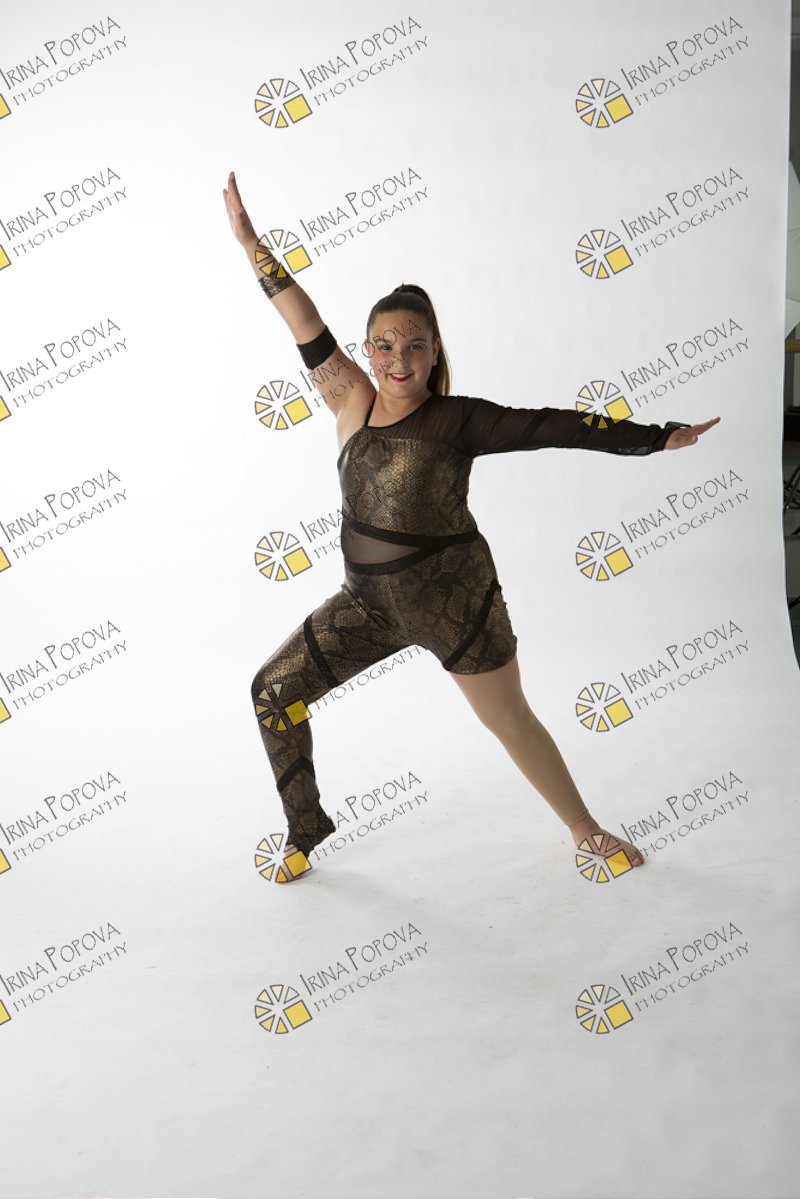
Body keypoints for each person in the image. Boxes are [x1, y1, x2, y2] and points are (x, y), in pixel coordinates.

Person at [223, 170, 721, 883]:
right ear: (367, 350)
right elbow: (299, 316)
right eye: (384, 346)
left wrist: (654, 437)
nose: (398, 359)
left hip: (456, 604)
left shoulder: (459, 420)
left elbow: (555, 426)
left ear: (434, 351)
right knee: (272, 692)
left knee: (509, 720)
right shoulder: (348, 400)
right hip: (367, 605)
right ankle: (305, 830)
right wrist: (252, 243)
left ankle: (585, 830)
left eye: (413, 346)